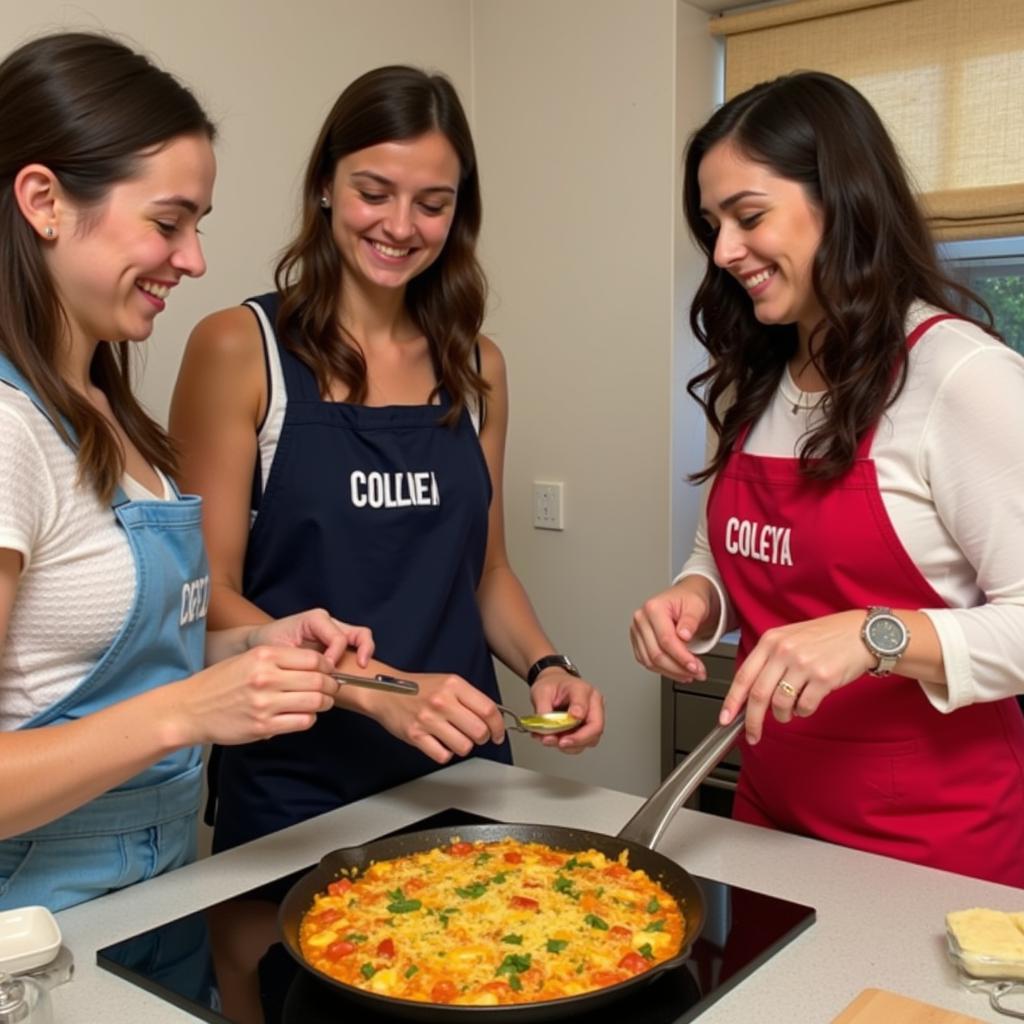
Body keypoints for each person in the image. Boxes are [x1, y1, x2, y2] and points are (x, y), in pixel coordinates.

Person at [169, 65, 605, 858]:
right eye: (375, 191)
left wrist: (548, 665)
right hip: (297, 784)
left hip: (464, 769)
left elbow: (487, 573)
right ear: (327, 187)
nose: (401, 225)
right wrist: (384, 691)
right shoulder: (240, 349)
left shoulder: (479, 365)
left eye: (432, 204)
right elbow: (208, 601)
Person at [0, 32, 373, 914]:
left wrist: (256, 647)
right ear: (44, 200)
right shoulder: (7, 431)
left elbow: (95, 653)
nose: (194, 259)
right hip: (38, 916)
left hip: (152, 885)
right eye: (169, 223)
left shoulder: (105, 411)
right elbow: (160, 705)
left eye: (196, 226)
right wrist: (191, 712)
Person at [631, 71, 1024, 886]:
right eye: (712, 226)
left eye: (748, 217)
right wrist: (697, 599)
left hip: (929, 849)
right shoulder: (766, 374)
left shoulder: (962, 377)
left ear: (842, 201)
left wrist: (874, 635)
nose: (724, 252)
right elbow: (731, 551)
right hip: (768, 819)